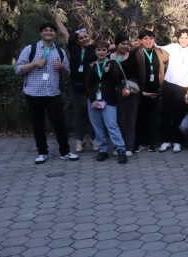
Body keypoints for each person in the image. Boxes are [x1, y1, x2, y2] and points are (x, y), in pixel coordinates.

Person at [15, 22, 78, 164]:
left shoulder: (60, 52)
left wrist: (61, 67)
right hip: (33, 93)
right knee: (38, 125)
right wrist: (35, 64)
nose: (48, 32)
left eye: (51, 30)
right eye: (45, 30)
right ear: (41, 33)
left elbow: (67, 72)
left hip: (53, 93)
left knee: (60, 124)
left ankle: (65, 152)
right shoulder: (30, 49)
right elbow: (18, 69)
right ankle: (42, 152)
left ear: (55, 34)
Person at [51, 9, 96, 153]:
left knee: (92, 114)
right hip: (75, 88)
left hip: (90, 88)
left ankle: (94, 139)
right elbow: (65, 32)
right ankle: (79, 140)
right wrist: (56, 17)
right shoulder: (73, 47)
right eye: (81, 38)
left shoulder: (94, 49)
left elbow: (111, 47)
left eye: (86, 37)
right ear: (77, 40)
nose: (84, 39)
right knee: (77, 115)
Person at [85, 40, 127, 163]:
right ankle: (102, 150)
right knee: (97, 127)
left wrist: (110, 72)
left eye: (104, 50)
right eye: (99, 50)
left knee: (111, 125)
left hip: (109, 99)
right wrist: (92, 99)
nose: (101, 52)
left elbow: (118, 81)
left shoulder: (113, 63)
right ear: (95, 51)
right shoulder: (92, 65)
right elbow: (87, 85)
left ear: (108, 51)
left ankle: (120, 149)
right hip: (94, 100)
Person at [131, 29, 169, 152]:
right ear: (140, 40)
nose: (148, 41)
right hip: (141, 91)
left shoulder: (158, 52)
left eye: (151, 38)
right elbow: (132, 72)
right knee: (140, 117)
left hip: (156, 90)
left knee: (152, 117)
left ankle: (149, 143)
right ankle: (138, 142)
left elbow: (169, 54)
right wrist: (141, 90)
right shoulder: (136, 52)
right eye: (145, 38)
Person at [109, 33, 139, 158]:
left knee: (130, 120)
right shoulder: (110, 57)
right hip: (116, 91)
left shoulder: (132, 57)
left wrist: (127, 89)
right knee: (120, 119)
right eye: (123, 43)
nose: (125, 46)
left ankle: (129, 147)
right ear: (117, 44)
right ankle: (119, 145)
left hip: (130, 91)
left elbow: (137, 75)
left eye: (127, 44)